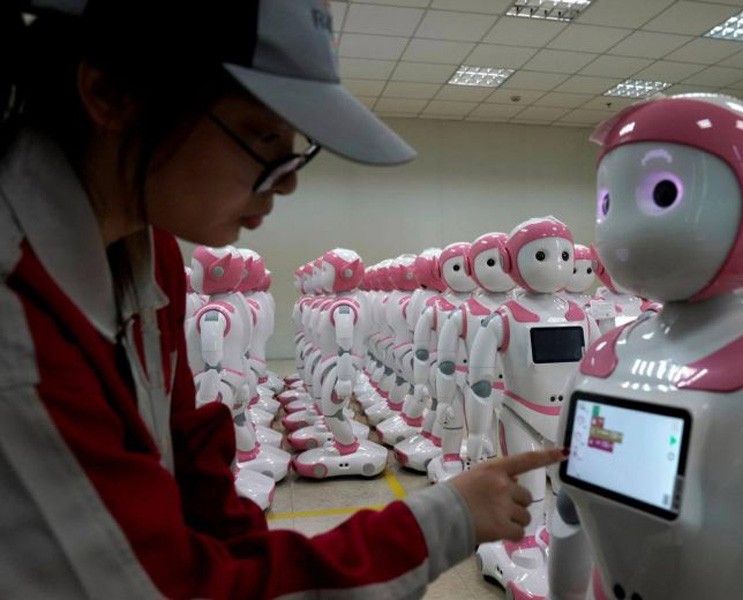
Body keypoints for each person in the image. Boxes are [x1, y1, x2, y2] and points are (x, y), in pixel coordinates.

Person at [0, 1, 565, 598]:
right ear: (111, 94)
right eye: (263, 135)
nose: (288, 176)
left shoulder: (147, 253)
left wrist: (246, 541)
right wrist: (440, 520)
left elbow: (191, 464)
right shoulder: (17, 327)